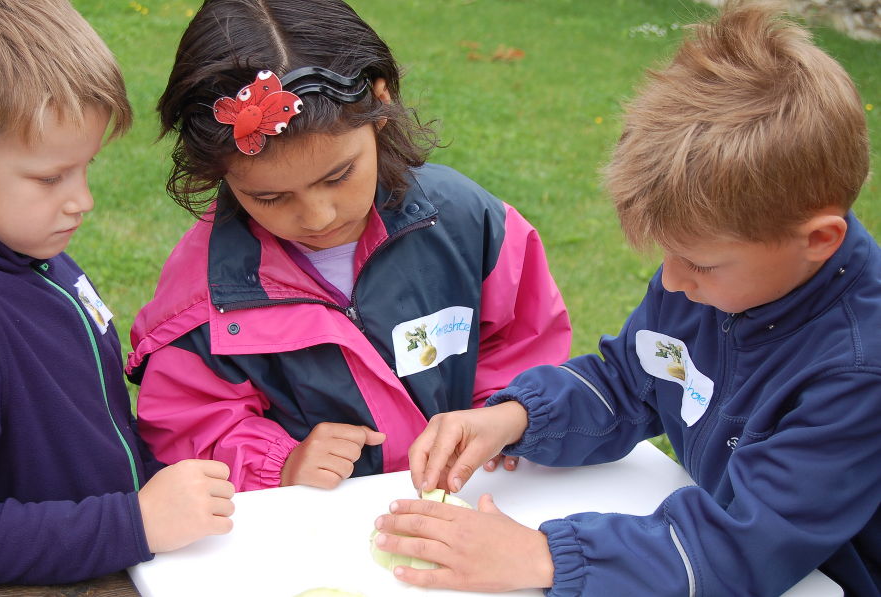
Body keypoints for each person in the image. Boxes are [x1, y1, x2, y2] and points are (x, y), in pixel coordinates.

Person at [372, 2, 881, 596]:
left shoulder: (858, 369)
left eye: (699, 262)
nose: (670, 283)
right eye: (666, 254)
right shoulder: (717, 283)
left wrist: (547, 557)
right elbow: (630, 380)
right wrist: (514, 417)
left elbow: (748, 544)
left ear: (818, 240)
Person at [125, 0, 571, 492]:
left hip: (469, 501)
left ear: (379, 104)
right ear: (218, 172)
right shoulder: (201, 298)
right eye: (268, 197)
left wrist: (502, 415)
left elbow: (525, 339)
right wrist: (281, 464)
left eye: (339, 176)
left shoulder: (471, 223)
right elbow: (189, 423)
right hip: (314, 536)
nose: (317, 217)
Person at [0, 0, 235, 584]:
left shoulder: (35, 257)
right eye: (50, 178)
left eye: (86, 167)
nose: (84, 200)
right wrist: (133, 523)